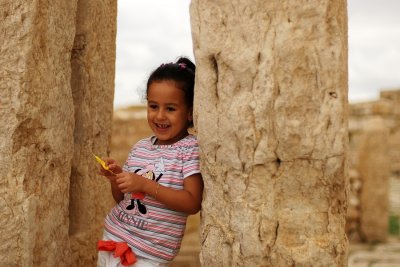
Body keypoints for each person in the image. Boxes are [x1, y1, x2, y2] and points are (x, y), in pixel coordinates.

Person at [97, 57, 203, 267]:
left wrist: (145, 184)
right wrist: (116, 178)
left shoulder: (189, 150)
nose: (160, 116)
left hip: (147, 255)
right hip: (113, 238)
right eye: (153, 106)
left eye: (170, 109)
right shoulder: (141, 147)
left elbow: (192, 202)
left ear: (190, 112)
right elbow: (123, 200)